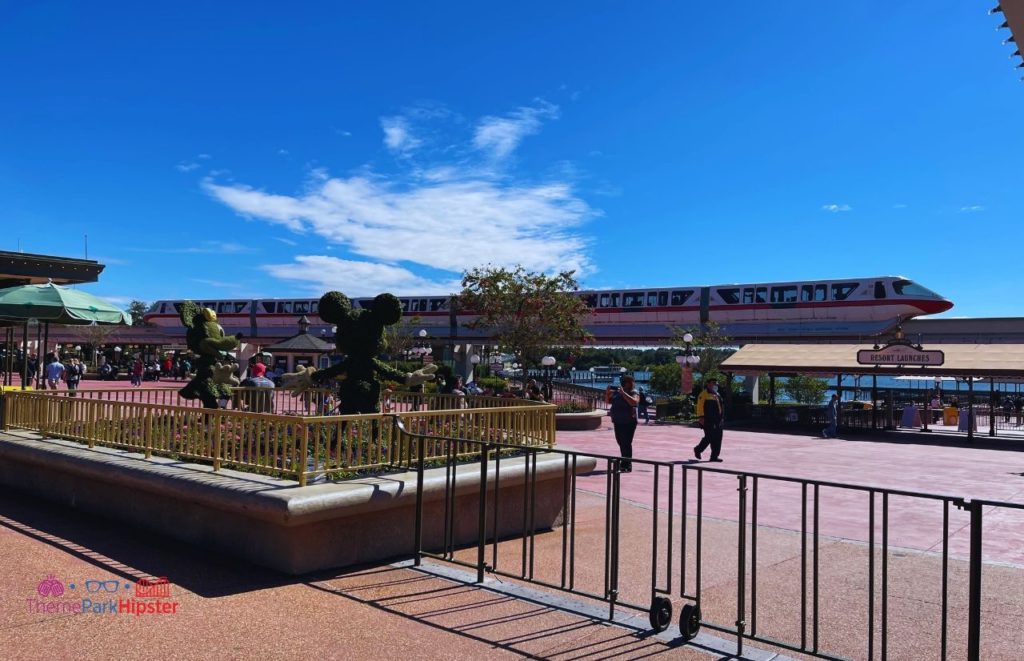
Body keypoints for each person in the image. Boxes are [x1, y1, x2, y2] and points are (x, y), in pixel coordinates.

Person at [609, 375, 640, 472]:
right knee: (620, 442)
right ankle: (624, 461)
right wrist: (607, 393)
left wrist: (623, 393)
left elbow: (634, 402)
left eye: (628, 381)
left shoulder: (634, 392)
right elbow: (608, 401)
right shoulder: (617, 393)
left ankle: (626, 464)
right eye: (624, 381)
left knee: (626, 443)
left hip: (628, 422)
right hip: (617, 421)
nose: (626, 383)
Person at [693, 379, 726, 462]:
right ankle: (698, 449)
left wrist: (721, 418)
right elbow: (700, 406)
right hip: (708, 419)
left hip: (717, 420)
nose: (715, 385)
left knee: (718, 438)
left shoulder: (717, 394)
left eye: (716, 384)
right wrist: (701, 417)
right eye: (713, 383)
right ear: (708, 384)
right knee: (709, 437)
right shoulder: (704, 394)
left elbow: (721, 408)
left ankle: (714, 456)